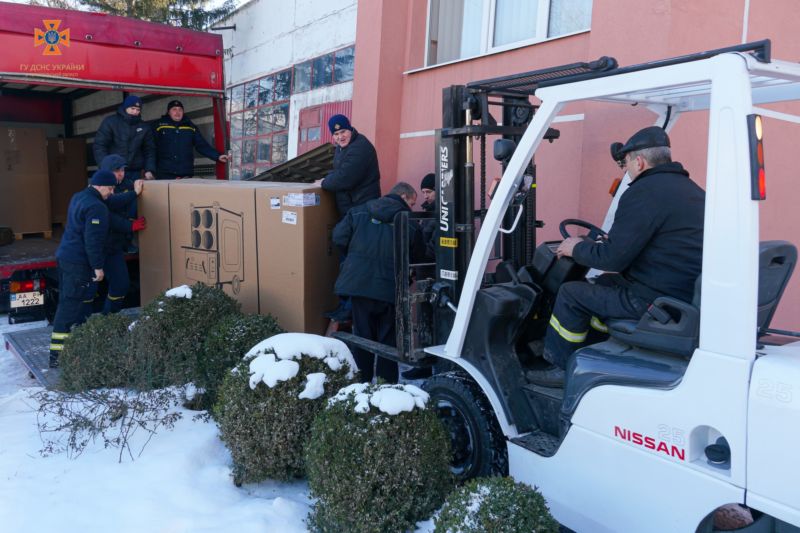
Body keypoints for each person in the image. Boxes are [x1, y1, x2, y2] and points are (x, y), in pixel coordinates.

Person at [527, 126, 705, 387]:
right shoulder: (693, 192)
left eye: (627, 164)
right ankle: (597, 349)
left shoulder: (643, 192)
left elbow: (613, 259)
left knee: (570, 293)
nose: (626, 171)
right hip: (678, 293)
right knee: (602, 284)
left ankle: (560, 367)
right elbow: (656, 244)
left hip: (652, 300)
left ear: (640, 161)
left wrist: (575, 247)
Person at [332, 182, 425, 383]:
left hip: (359, 286)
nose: (412, 207)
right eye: (411, 202)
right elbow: (419, 255)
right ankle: (386, 388)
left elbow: (338, 237)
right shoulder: (409, 222)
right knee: (388, 340)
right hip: (390, 289)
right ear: (403, 196)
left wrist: (355, 258)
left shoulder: (359, 212)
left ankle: (361, 384)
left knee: (362, 337)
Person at [48, 170, 117, 368]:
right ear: (101, 185)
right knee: (70, 308)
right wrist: (98, 267)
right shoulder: (96, 207)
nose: (111, 193)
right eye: (110, 188)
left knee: (66, 304)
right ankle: (57, 357)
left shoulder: (78, 196)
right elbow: (93, 241)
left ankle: (63, 352)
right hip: (78, 263)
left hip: (64, 258)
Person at [321, 114, 382, 322]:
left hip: (362, 213)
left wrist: (324, 182)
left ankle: (349, 310)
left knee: (353, 262)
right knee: (347, 260)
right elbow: (337, 174)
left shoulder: (360, 148)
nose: (340, 137)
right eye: (336, 134)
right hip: (351, 214)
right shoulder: (342, 149)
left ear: (351, 129)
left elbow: (343, 178)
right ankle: (345, 307)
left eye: (343, 132)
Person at [99, 154, 146, 314]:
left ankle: (109, 317)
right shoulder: (101, 189)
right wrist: (130, 225)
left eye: (123, 170)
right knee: (88, 291)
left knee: (121, 284)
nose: (121, 174)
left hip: (117, 244)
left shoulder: (128, 184)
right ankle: (102, 321)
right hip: (103, 246)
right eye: (116, 170)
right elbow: (111, 208)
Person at [153, 99, 229, 180]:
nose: (177, 112)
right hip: (165, 174)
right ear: (168, 112)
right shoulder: (159, 126)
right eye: (174, 109)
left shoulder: (190, 127)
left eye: (180, 110)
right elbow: (151, 148)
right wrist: (150, 170)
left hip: (185, 174)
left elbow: (201, 145)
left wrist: (217, 156)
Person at [94, 95, 156, 181]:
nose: (135, 112)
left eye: (138, 109)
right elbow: (99, 146)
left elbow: (149, 150)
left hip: (136, 173)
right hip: (114, 172)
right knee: (113, 194)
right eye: (132, 108)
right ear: (125, 107)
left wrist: (149, 169)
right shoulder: (110, 122)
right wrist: (106, 168)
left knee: (134, 194)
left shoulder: (144, 127)